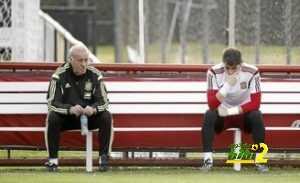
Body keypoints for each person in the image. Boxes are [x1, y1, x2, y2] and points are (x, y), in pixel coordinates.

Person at [45, 44, 113, 172]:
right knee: (53, 117)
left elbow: (104, 102)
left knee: (106, 116)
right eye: (80, 60)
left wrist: (93, 109)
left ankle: (103, 159)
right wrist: (69, 109)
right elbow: (52, 103)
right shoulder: (59, 75)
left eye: (86, 60)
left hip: (89, 117)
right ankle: (52, 161)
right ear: (70, 60)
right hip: (68, 118)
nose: (84, 64)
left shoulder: (95, 74)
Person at [201, 47, 268, 172]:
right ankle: (207, 161)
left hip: (243, 115)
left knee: (256, 115)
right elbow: (212, 104)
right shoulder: (213, 72)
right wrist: (228, 84)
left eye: (234, 68)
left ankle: (260, 160)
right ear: (223, 64)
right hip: (222, 116)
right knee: (209, 114)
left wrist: (232, 111)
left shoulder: (252, 72)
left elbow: (255, 103)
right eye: (228, 68)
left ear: (240, 65)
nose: (230, 71)